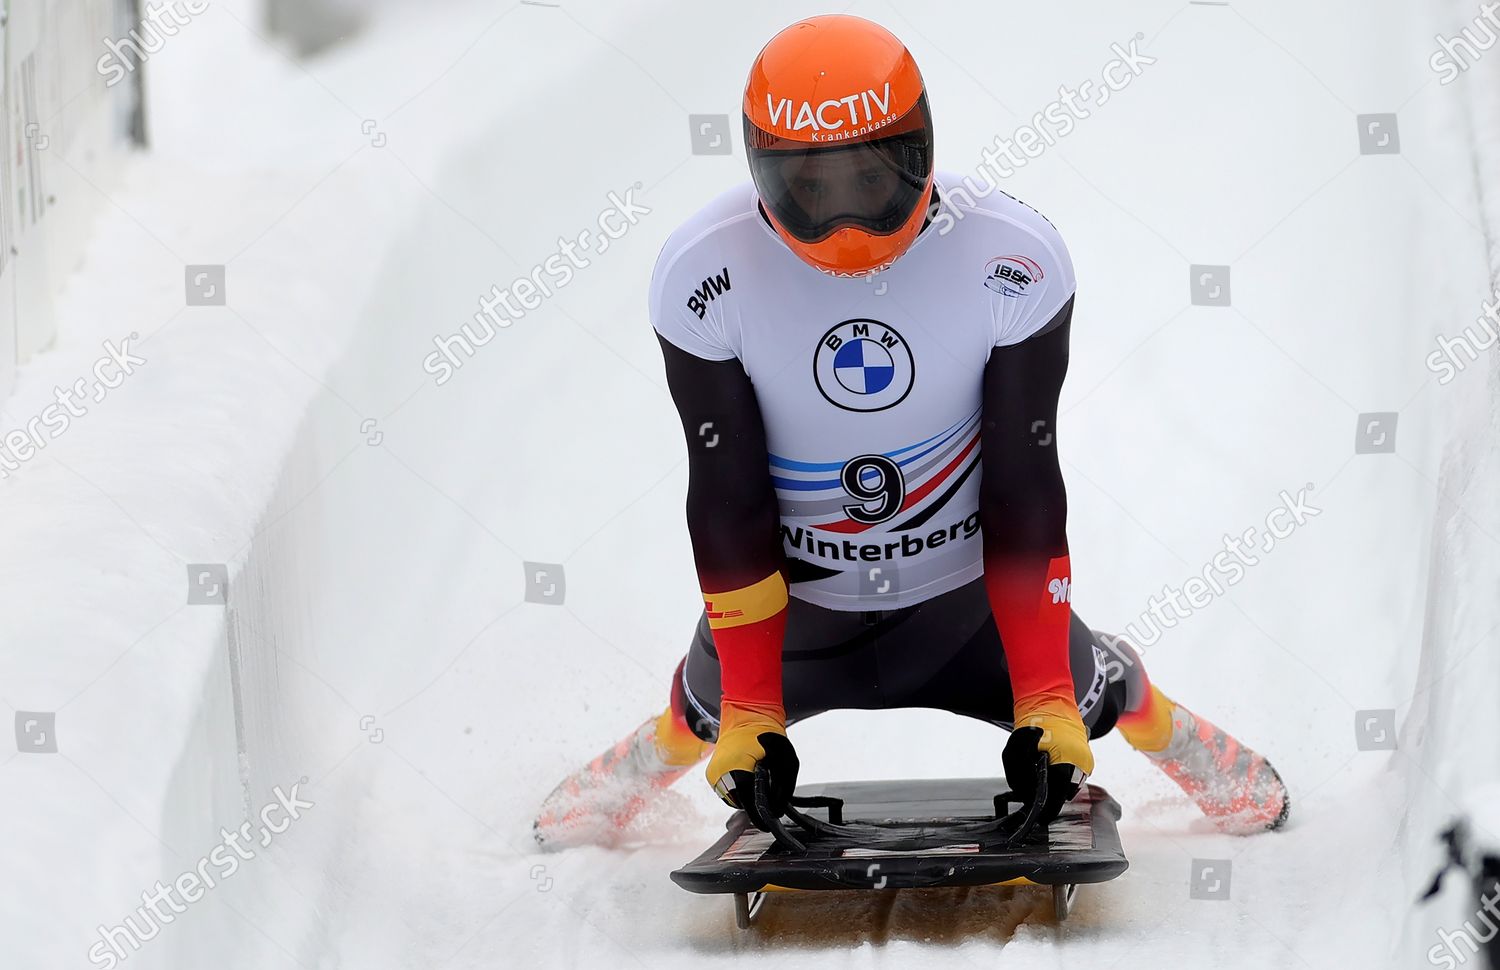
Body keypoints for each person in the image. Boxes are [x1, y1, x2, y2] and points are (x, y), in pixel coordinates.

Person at [534, 13, 1288, 850]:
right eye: (811, 191)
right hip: (799, 613)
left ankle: (1144, 704)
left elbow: (1023, 486)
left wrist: (1041, 693)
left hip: (967, 608)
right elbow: (729, 501)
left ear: (920, 150)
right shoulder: (702, 276)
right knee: (711, 713)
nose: (848, 224)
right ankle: (661, 745)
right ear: (760, 172)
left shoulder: (1012, 257)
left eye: (873, 178)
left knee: (1085, 696)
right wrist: (751, 706)